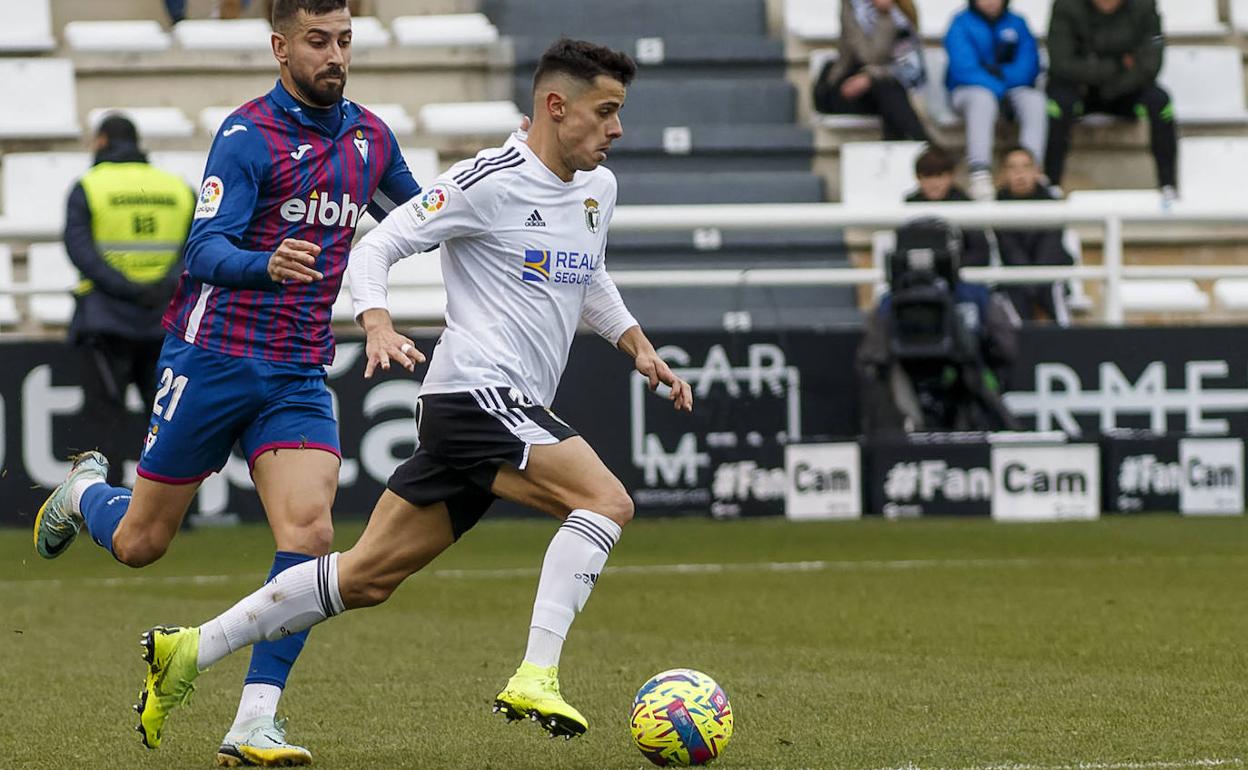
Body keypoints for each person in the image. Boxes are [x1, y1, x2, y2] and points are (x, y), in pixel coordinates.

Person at [124, 36, 694, 753]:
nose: (617, 129)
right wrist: (377, 319)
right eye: (606, 112)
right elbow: (375, 245)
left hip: (494, 408)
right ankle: (537, 673)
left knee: (362, 577)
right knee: (605, 502)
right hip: (475, 395)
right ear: (556, 106)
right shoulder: (488, 179)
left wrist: (635, 343)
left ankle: (191, 649)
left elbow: (588, 274)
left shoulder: (596, 189)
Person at [33, 0, 423, 764]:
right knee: (144, 542)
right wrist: (265, 263)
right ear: (281, 48)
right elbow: (203, 250)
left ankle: (253, 720)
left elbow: (421, 217)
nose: (335, 55)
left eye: (344, 39)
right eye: (318, 41)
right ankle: (84, 492)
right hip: (211, 357)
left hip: (297, 370)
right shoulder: (248, 136)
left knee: (309, 538)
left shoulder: (371, 138)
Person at [64, 115, 195, 486]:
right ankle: (173, 514)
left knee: (103, 419)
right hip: (165, 319)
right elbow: (196, 247)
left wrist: (127, 289)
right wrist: (163, 287)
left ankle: (102, 502)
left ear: (102, 141)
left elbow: (80, 251)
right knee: (168, 419)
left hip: (105, 320)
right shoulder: (176, 188)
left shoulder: (88, 186)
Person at [857, 218, 1019, 434]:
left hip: (963, 386)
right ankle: (906, 428)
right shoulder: (890, 304)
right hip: (906, 392)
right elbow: (872, 359)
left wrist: (970, 349)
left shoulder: (974, 296)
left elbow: (1005, 349)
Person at [1044, 0, 1177, 200]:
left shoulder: (1145, 7)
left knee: (1161, 103)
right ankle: (1051, 183)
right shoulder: (1065, 5)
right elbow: (1062, 62)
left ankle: (1168, 185)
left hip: (1126, 89)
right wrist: (1117, 65)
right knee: (1057, 105)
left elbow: (1150, 63)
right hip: (1080, 89)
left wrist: (1111, 82)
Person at [944, 0, 1046, 201]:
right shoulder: (960, 24)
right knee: (982, 98)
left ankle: (1032, 170)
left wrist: (1002, 79)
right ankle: (980, 172)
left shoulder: (1017, 23)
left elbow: (1029, 65)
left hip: (1011, 88)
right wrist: (998, 88)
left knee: (1035, 101)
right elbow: (964, 69)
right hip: (969, 92)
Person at [812, 0, 933, 143]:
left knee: (890, 91)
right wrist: (884, 16)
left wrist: (871, 76)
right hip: (845, 88)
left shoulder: (902, 10)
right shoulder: (852, 7)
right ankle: (926, 146)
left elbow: (913, 67)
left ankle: (921, 148)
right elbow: (869, 56)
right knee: (888, 90)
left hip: (887, 92)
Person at [995, 146, 1073, 325]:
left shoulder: (1053, 204)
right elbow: (1008, 250)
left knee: (1053, 286)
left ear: (1037, 171)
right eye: (1013, 168)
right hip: (1014, 277)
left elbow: (1051, 246)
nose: (1020, 174)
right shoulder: (996, 207)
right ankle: (1023, 349)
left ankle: (1066, 344)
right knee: (1013, 291)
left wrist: (1035, 279)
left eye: (1025, 167)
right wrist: (1028, 280)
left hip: (1048, 275)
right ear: (1003, 174)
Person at [904, 146, 994, 267]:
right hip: (922, 275)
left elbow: (980, 252)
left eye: (940, 175)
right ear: (918, 178)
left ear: (951, 176)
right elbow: (903, 251)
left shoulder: (965, 205)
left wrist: (952, 269)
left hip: (961, 275)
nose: (934, 183)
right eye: (928, 176)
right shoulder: (909, 206)